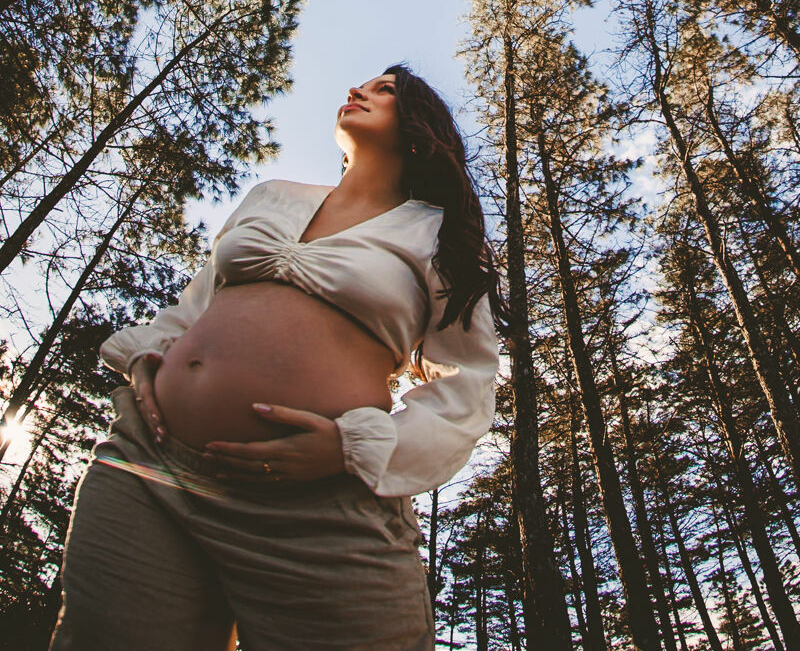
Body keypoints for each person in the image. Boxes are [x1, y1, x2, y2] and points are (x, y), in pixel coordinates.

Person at [50, 65, 502, 651]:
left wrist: (349, 448)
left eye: (384, 89)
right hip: (148, 466)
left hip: (314, 503)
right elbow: (196, 306)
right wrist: (147, 361)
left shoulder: (439, 237)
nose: (357, 89)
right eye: (361, 82)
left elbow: (464, 387)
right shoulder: (273, 196)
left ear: (419, 126)